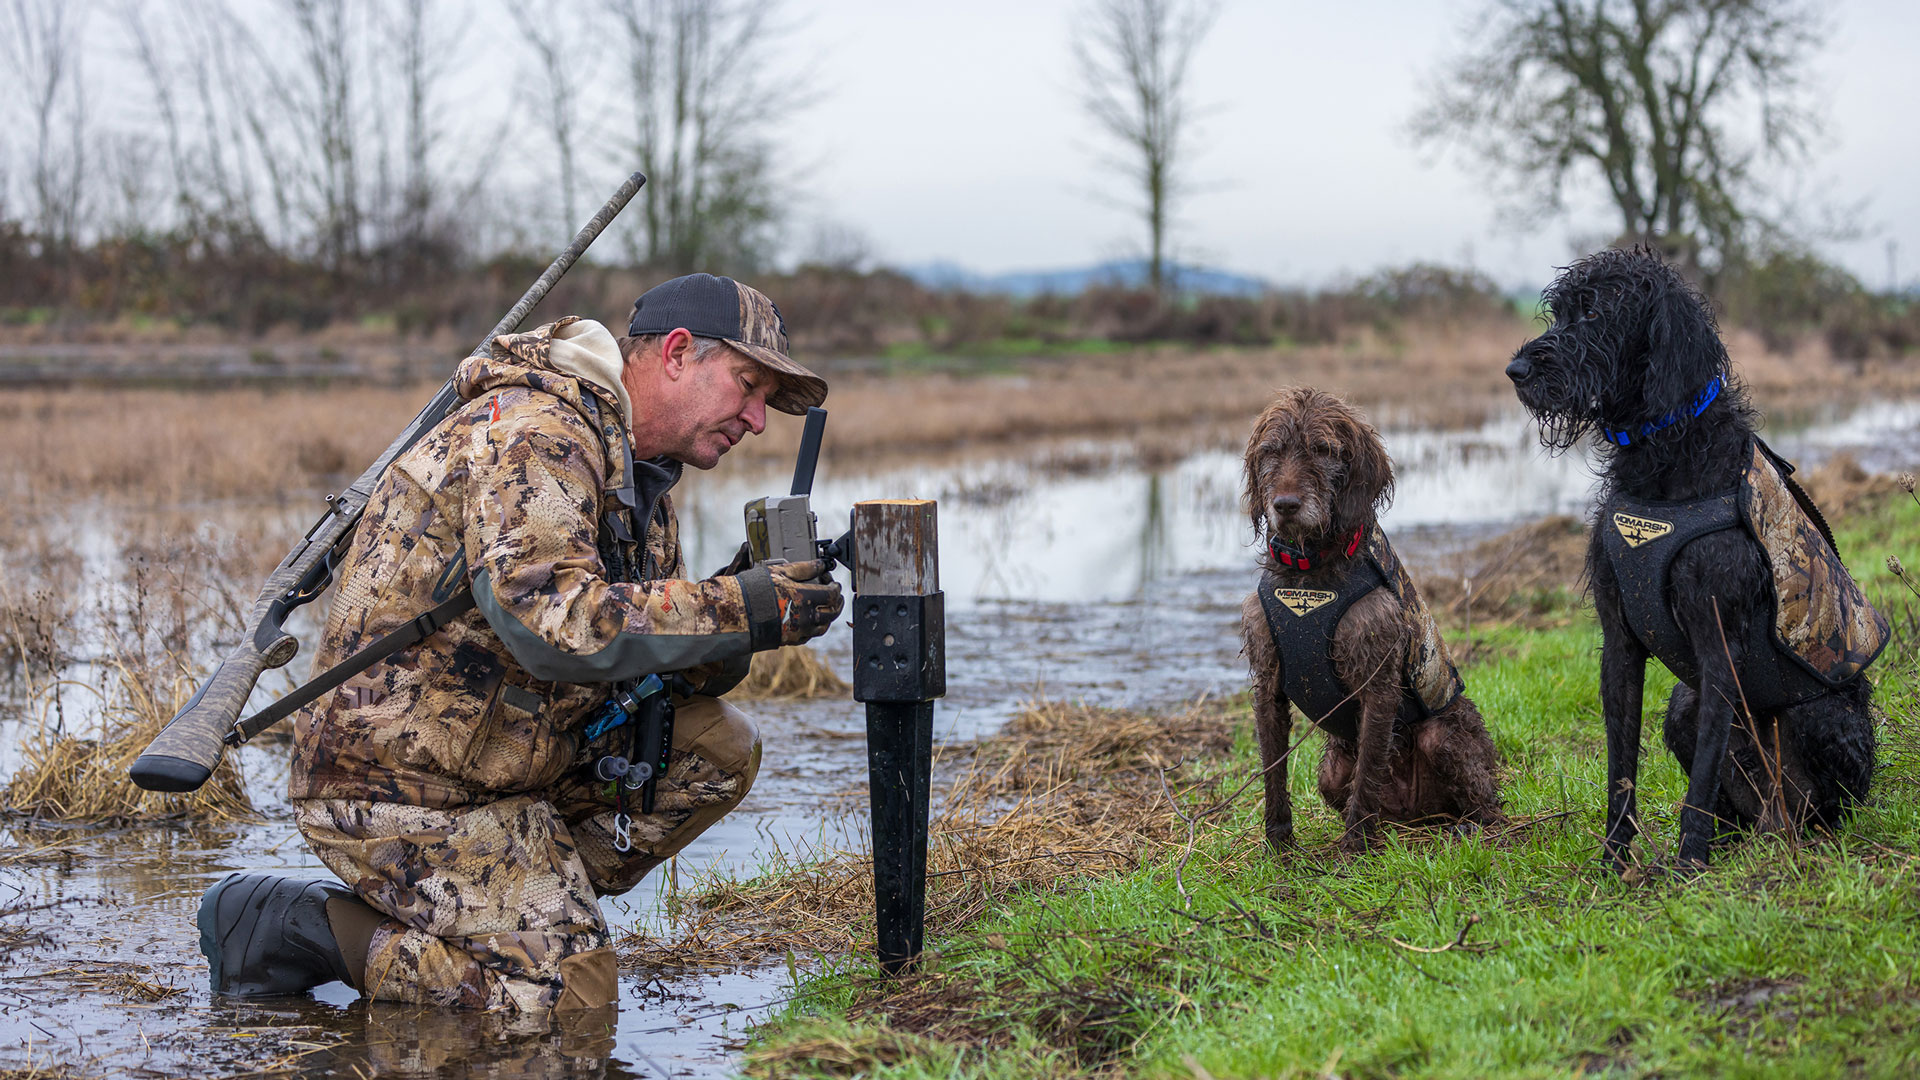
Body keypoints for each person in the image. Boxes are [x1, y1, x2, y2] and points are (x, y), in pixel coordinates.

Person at [196, 274, 843, 1015]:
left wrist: (740, 616)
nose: (758, 420)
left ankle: (519, 906)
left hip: (508, 762)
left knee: (716, 751)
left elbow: (635, 652)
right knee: (562, 999)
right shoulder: (536, 431)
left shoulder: (639, 480)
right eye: (748, 385)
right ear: (675, 354)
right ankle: (298, 928)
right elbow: (555, 627)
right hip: (401, 780)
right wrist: (743, 605)